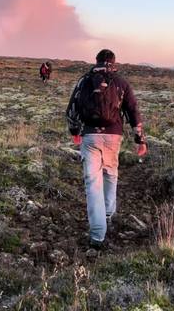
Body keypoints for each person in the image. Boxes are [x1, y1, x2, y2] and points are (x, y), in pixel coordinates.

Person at [66, 49, 147, 249]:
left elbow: (71, 110)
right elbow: (133, 111)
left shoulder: (84, 80)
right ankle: (109, 214)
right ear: (113, 61)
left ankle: (97, 236)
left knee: (92, 184)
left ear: (97, 61)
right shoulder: (121, 82)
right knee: (110, 174)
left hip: (90, 136)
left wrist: (75, 131)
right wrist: (140, 140)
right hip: (114, 136)